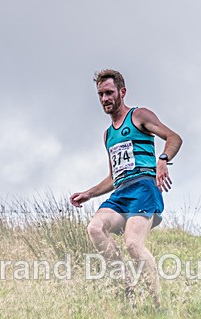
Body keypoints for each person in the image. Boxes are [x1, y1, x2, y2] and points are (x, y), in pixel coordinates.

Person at [70, 69, 182, 302]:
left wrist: (162, 160)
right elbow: (114, 176)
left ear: (122, 92)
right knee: (94, 228)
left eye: (109, 93)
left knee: (132, 244)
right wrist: (88, 193)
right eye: (100, 94)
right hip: (120, 193)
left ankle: (156, 302)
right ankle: (128, 287)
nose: (105, 99)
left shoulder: (139, 115)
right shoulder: (108, 135)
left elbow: (174, 138)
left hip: (143, 187)